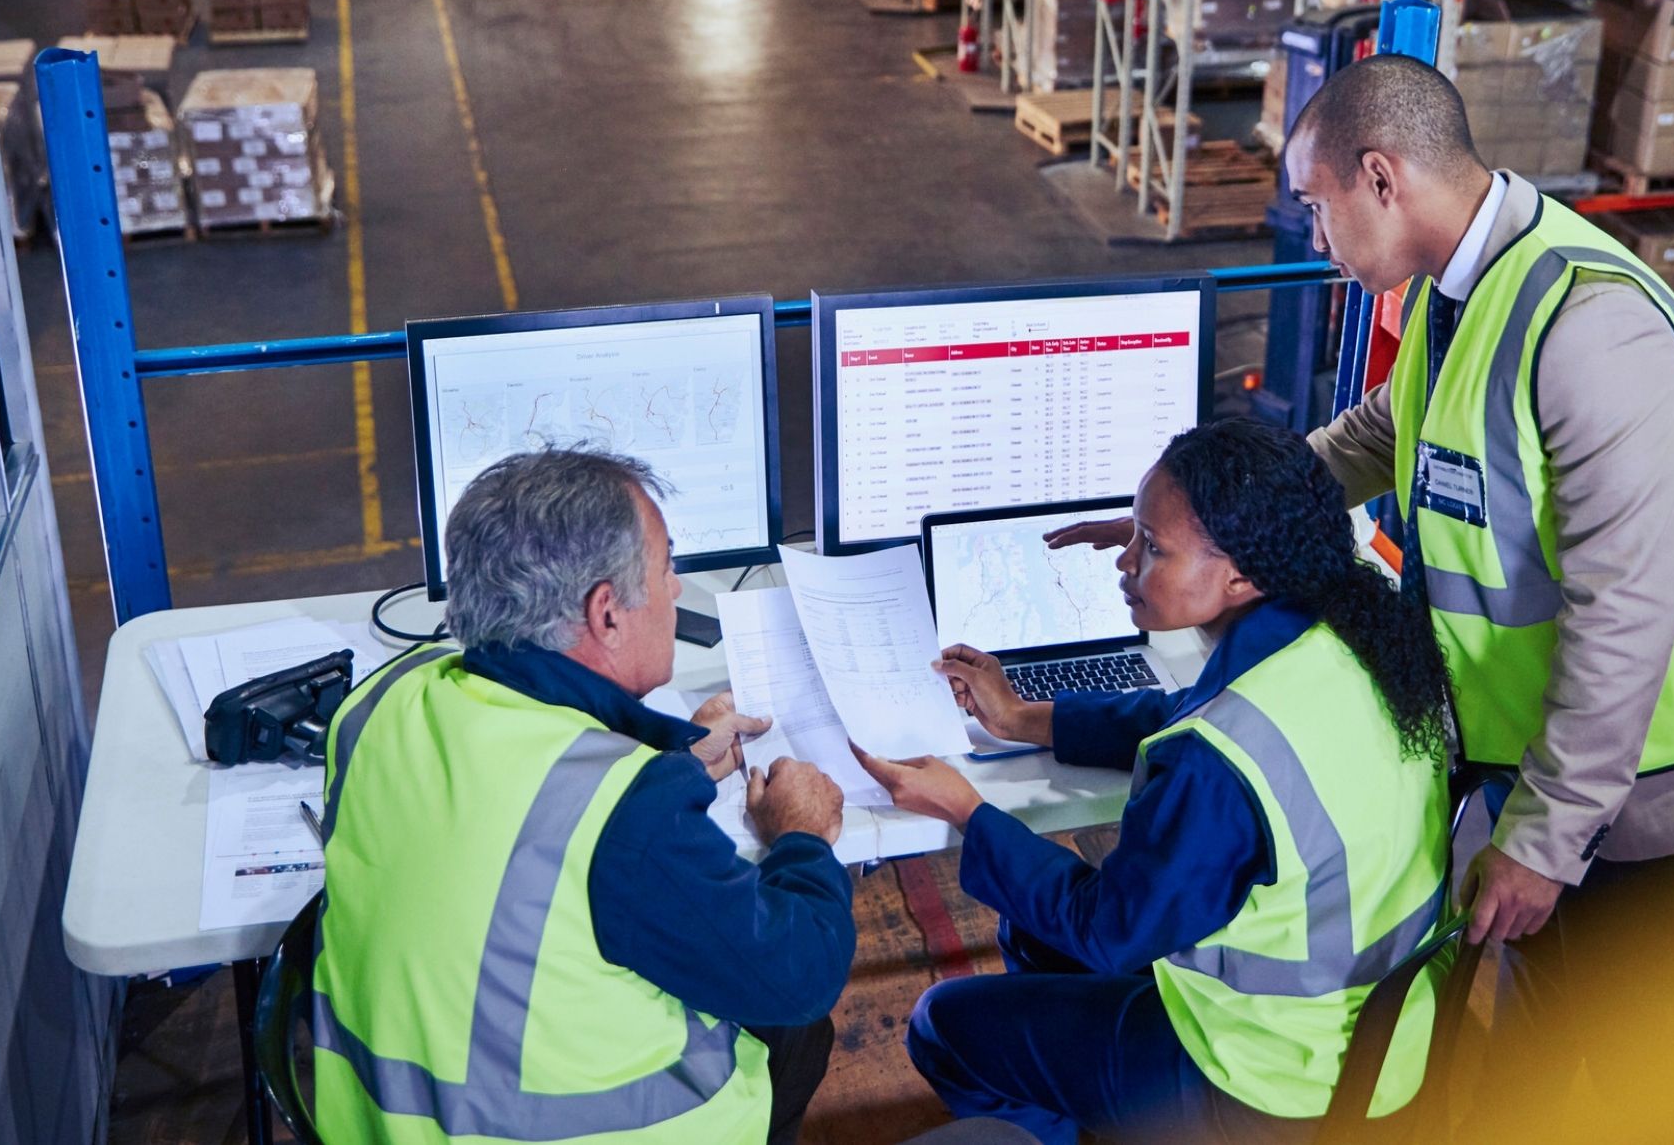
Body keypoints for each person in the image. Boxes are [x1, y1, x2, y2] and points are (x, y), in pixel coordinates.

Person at [1058, 53, 1674, 1105]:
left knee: (1630, 1062)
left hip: (1642, 774)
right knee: (1533, 1041)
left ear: (1380, 177)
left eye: (1316, 204)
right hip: (1536, 749)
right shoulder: (1459, 294)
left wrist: (1542, 840)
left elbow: (1627, 615)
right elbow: (1376, 433)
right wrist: (1184, 519)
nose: (1313, 233)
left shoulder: (1590, 329)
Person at [854, 419, 1455, 1145]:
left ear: (1238, 573)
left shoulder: (1215, 760)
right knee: (1030, 922)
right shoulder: (1345, 636)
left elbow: (1109, 930)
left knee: (941, 1021)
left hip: (1262, 1080)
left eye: (1151, 545)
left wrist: (967, 811)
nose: (1125, 560)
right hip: (1378, 1042)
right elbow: (1185, 710)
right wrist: (1023, 718)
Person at [310, 447, 853, 1145]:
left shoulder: (384, 699)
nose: (677, 590)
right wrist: (803, 839)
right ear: (606, 612)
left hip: (379, 1123)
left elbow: (526, 772)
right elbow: (799, 971)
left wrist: (670, 754)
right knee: (796, 1022)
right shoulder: (627, 814)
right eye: (666, 568)